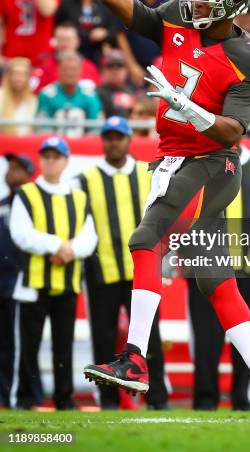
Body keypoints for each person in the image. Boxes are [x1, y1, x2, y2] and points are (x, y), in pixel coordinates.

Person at [83, 0, 250, 422]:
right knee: (212, 275)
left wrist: (188, 107)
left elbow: (232, 133)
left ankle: (135, 359)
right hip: (177, 155)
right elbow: (112, 0)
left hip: (213, 162)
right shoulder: (180, 19)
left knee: (146, 238)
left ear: (231, 3)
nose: (193, 1)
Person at [187, 140, 250, 410]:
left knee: (248, 335)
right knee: (206, 337)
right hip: (207, 268)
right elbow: (183, 213)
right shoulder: (201, 164)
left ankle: (242, 399)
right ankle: (205, 401)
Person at [76, 116, 168, 410]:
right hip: (101, 270)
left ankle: (158, 398)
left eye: (119, 137)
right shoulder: (86, 179)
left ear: (129, 140)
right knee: (102, 337)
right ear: (103, 140)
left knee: (150, 336)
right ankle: (107, 400)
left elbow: (164, 218)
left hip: (141, 269)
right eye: (109, 137)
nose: (114, 142)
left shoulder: (146, 173)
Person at [9, 136, 97, 410]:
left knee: (63, 345)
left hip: (67, 282)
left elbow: (89, 236)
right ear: (40, 159)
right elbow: (21, 233)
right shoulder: (27, 193)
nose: (50, 161)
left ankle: (64, 398)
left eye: (55, 156)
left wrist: (70, 251)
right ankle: (26, 397)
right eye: (45, 156)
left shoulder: (79, 197)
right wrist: (58, 246)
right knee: (30, 345)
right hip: (34, 282)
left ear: (65, 161)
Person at [0, 153, 34, 409]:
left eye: (17, 168)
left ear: (28, 174)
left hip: (23, 282)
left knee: (19, 344)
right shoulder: (2, 204)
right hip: (3, 281)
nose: (10, 172)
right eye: (9, 166)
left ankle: (20, 395)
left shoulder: (36, 203)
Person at [56, 0, 116, 64]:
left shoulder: (106, 5)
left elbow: (115, 30)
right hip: (70, 56)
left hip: (97, 54)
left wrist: (105, 33)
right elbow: (57, 27)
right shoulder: (66, 4)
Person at [36, 51, 102, 136]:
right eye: (65, 69)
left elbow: (95, 129)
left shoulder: (90, 96)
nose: (69, 73)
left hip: (82, 145)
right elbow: (43, 128)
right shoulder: (47, 95)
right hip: (54, 146)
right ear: (58, 70)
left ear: (80, 71)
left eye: (73, 69)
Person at [33, 22, 101, 93]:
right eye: (60, 39)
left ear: (77, 41)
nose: (64, 44)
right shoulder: (43, 67)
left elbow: (97, 95)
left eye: (68, 39)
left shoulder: (89, 67)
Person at [0, 57, 37, 135]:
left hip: (23, 144)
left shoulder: (33, 101)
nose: (19, 78)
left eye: (24, 74)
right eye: (15, 73)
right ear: (8, 76)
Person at [97, 51, 137, 118]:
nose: (115, 70)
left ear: (126, 70)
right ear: (103, 71)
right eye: (110, 66)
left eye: (119, 66)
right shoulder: (96, 94)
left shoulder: (130, 92)